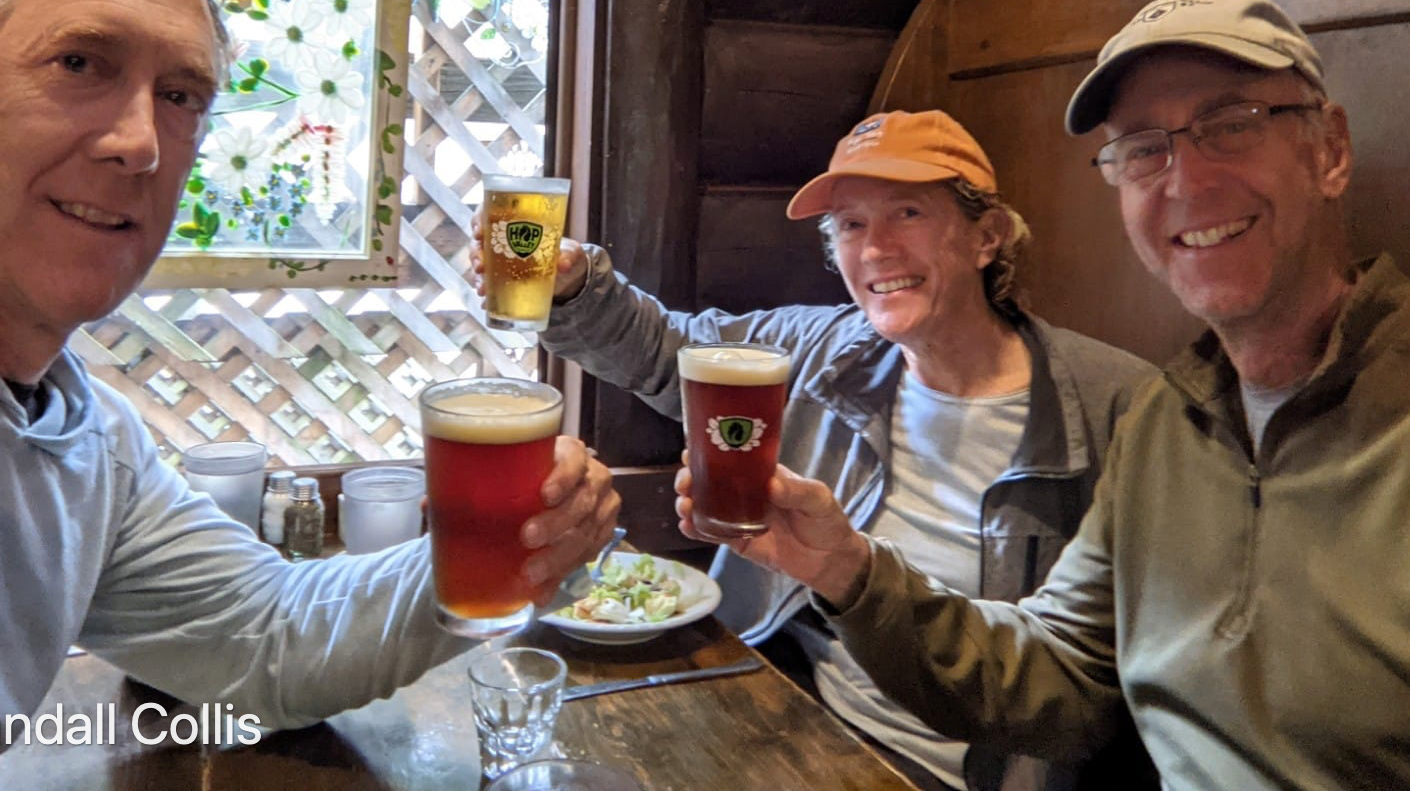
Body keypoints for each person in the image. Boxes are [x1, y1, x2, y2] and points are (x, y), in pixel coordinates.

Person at [0, 0, 620, 791]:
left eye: (181, 95)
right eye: (79, 63)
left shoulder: (81, 435)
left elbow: (264, 640)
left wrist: (516, 548)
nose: (140, 142)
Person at [691, 0, 1410, 790]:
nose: (1186, 181)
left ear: (1330, 152)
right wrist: (849, 571)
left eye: (1232, 125)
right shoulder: (1171, 419)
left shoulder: (1127, 400)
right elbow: (1063, 672)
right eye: (1144, 148)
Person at [474, 110, 1156, 791]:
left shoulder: (1116, 406)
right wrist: (572, 286)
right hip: (783, 706)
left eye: (909, 213)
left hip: (957, 768)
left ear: (988, 236)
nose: (876, 249)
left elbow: (1091, 690)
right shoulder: (823, 347)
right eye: (851, 225)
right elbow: (662, 349)